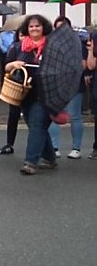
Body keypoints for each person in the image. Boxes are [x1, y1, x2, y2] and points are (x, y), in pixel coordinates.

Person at [5, 15, 57, 175]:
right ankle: (49, 158)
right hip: (24, 93)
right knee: (37, 126)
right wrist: (13, 64)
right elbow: (6, 68)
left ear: (44, 28)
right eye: (31, 26)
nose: (34, 29)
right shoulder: (18, 47)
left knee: (36, 125)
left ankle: (31, 162)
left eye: (38, 26)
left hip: (45, 94)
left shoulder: (52, 47)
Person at [49, 16, 86, 159]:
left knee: (75, 116)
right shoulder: (51, 44)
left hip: (75, 83)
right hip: (57, 84)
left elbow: (83, 65)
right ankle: (54, 147)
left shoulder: (79, 43)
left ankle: (76, 148)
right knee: (55, 115)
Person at [0, 31, 25, 155]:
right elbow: (7, 66)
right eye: (21, 35)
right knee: (13, 115)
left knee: (34, 120)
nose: (23, 38)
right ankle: (9, 144)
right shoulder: (15, 48)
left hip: (31, 86)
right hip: (16, 85)